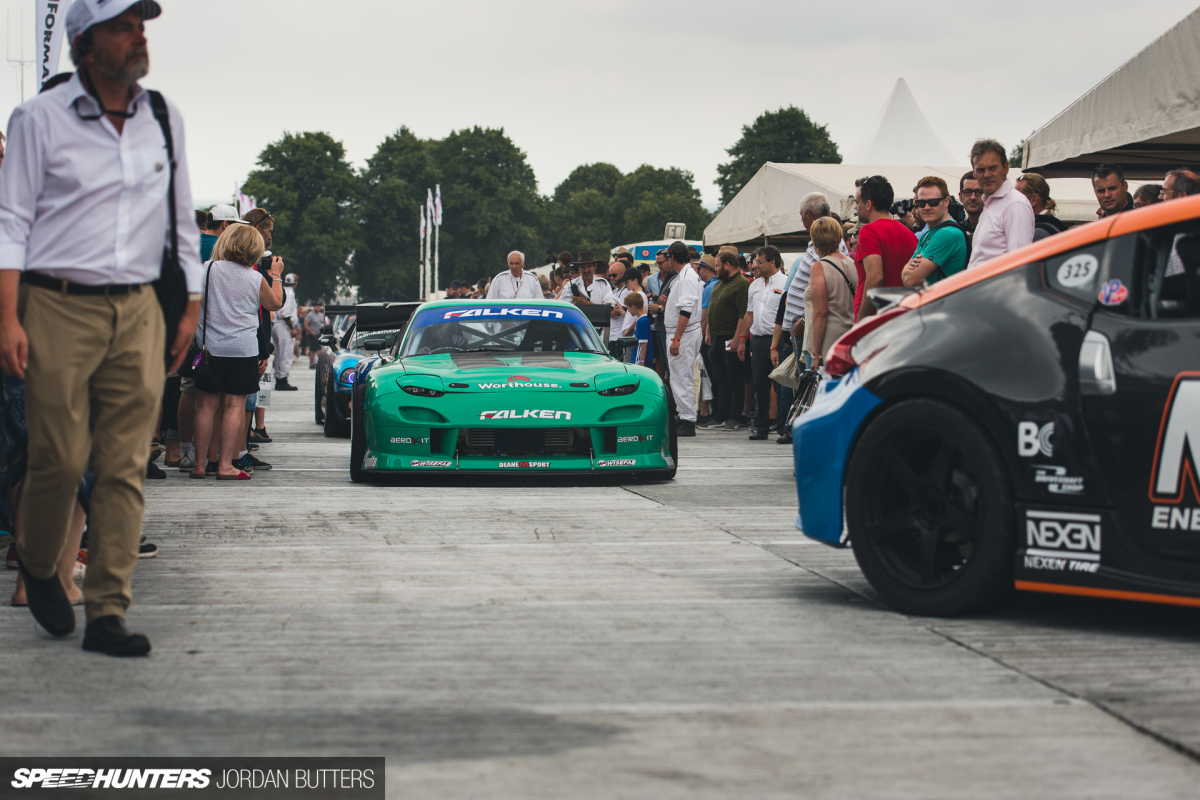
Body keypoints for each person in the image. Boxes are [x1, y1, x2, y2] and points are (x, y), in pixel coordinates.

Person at [0, 0, 201, 655]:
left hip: (140, 305)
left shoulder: (162, 117)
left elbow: (180, 222)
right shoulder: (37, 120)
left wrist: (189, 307)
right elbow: (12, 223)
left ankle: (109, 609)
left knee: (123, 463)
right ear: (86, 44)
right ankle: (36, 558)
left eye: (141, 26)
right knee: (58, 455)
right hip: (56, 302)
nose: (138, 37)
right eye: (122, 26)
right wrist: (7, 313)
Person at [189, 224, 282, 481]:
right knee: (234, 406)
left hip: (209, 348)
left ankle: (199, 464)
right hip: (242, 349)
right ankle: (226, 465)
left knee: (206, 405)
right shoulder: (254, 278)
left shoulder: (205, 269)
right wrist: (276, 275)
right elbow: (275, 303)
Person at [781, 193, 848, 369]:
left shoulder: (827, 251)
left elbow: (823, 304)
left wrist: (803, 322)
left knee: (810, 387)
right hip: (808, 329)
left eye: (801, 215)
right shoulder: (823, 247)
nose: (802, 220)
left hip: (811, 331)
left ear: (808, 214)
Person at [852, 175, 917, 320]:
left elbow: (875, 278)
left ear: (868, 204)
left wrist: (860, 321)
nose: (856, 207)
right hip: (901, 317)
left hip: (875, 322)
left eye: (857, 202)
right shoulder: (910, 234)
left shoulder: (869, 232)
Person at [740, 246, 787, 440]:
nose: (755, 265)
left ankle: (783, 427)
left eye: (759, 262)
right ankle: (761, 427)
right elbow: (749, 314)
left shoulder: (785, 282)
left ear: (772, 263)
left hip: (778, 339)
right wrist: (743, 340)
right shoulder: (754, 285)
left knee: (781, 385)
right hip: (758, 340)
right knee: (760, 383)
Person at [966, 139, 1034, 270]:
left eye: (993, 168)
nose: (986, 175)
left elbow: (1019, 264)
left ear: (1006, 168)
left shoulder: (1015, 204)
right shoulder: (992, 204)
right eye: (981, 169)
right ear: (974, 173)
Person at [803, 218, 858, 375]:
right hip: (850, 336)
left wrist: (815, 354)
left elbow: (821, 313)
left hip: (828, 341)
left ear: (815, 241)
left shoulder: (819, 267)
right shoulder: (851, 263)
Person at [705, 252, 750, 430]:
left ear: (727, 265)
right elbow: (712, 309)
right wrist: (708, 331)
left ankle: (735, 416)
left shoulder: (741, 284)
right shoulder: (719, 283)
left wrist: (738, 339)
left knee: (734, 379)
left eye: (717, 266)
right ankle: (719, 415)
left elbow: (743, 314)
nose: (715, 269)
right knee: (719, 379)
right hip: (716, 338)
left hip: (730, 337)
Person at [664, 241, 703, 437]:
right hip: (685, 331)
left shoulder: (687, 277)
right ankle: (685, 414)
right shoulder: (686, 275)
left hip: (683, 333)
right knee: (680, 375)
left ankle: (687, 419)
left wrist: (677, 338)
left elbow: (686, 310)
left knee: (682, 376)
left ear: (672, 257)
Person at [901, 176, 969, 287]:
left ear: (946, 201)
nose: (927, 207)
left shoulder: (946, 234)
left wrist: (907, 267)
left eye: (933, 202)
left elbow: (909, 280)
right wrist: (907, 270)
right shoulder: (929, 233)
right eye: (921, 203)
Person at [1015, 173, 1068, 240]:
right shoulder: (1054, 225)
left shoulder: (1037, 233)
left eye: (1017, 197)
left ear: (1034, 200)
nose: (1012, 201)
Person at [273, 273, 300, 390]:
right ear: (295, 283)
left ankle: (279, 379)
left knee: (279, 354)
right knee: (286, 354)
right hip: (285, 326)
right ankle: (283, 380)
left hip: (277, 324)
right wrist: (293, 328)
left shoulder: (282, 290)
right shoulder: (290, 293)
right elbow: (285, 313)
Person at [625, 292, 652, 368]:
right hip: (636, 359)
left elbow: (643, 343)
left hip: (639, 361)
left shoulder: (642, 321)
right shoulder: (640, 320)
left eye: (628, 308)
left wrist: (641, 361)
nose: (628, 311)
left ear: (633, 307)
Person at [305, 303, 325, 368]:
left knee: (312, 350)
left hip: (318, 334)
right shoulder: (310, 315)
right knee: (318, 348)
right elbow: (305, 324)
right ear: (314, 307)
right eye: (317, 307)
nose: (318, 309)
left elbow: (324, 323)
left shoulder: (321, 315)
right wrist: (311, 332)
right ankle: (320, 363)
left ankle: (311, 364)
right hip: (312, 334)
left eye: (319, 307)